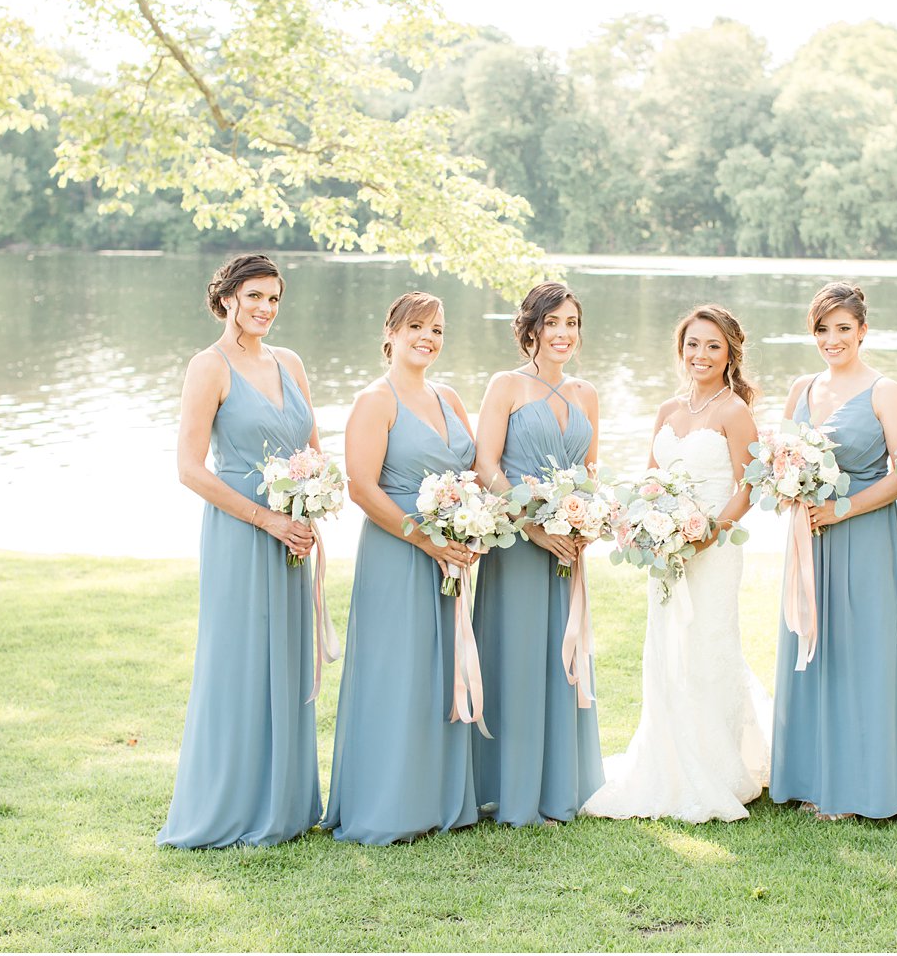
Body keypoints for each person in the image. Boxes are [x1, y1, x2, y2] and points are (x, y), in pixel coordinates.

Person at [581, 304, 772, 823]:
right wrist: (647, 522)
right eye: (693, 344)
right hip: (666, 550)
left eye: (713, 345)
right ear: (681, 349)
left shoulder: (734, 411)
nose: (701, 355)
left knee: (708, 646)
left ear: (730, 352)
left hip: (713, 550)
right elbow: (650, 475)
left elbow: (750, 483)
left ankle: (717, 765)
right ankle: (665, 761)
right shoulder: (667, 410)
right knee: (666, 648)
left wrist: (709, 533)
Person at [159, 254, 323, 848]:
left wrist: (312, 503)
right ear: (227, 297)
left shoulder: (291, 363)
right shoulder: (209, 367)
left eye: (275, 299)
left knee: (287, 658)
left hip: (294, 532)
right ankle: (229, 804)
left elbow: (313, 448)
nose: (265, 309)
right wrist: (266, 518)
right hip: (241, 529)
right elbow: (188, 469)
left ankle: (286, 803)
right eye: (255, 296)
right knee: (240, 660)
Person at [322, 291, 482, 844]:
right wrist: (426, 539)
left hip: (450, 555)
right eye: (417, 327)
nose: (428, 338)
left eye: (437, 330)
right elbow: (361, 487)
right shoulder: (375, 400)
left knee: (441, 671)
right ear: (390, 333)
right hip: (398, 551)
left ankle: (440, 798)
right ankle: (389, 804)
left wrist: (474, 522)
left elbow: (475, 473)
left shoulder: (450, 398)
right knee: (398, 671)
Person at [770, 283, 897, 821]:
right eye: (821, 329)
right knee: (809, 643)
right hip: (807, 535)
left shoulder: (885, 392)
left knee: (862, 649)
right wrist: (789, 487)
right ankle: (809, 777)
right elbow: (779, 455)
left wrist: (844, 509)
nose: (831, 339)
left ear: (862, 330)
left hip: (862, 533)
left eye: (842, 328)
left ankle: (865, 785)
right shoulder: (802, 388)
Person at [472, 283, 605, 824]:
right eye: (552, 323)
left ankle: (558, 787)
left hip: (566, 548)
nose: (563, 334)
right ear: (531, 328)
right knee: (519, 657)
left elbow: (591, 474)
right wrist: (531, 525)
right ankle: (510, 788)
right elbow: (486, 465)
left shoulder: (587, 393)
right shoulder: (507, 385)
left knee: (562, 660)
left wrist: (585, 522)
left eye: (571, 323)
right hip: (517, 545)